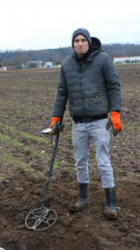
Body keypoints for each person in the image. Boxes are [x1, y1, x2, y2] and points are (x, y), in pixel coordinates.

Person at [48, 28, 122, 220]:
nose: (80, 44)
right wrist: (56, 118)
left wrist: (115, 113)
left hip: (99, 121)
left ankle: (111, 204)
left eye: (83, 40)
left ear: (89, 42)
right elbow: (62, 92)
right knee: (80, 161)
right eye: (76, 41)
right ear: (73, 44)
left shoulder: (102, 59)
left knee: (103, 161)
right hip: (78, 123)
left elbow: (114, 86)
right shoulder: (66, 65)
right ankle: (83, 199)